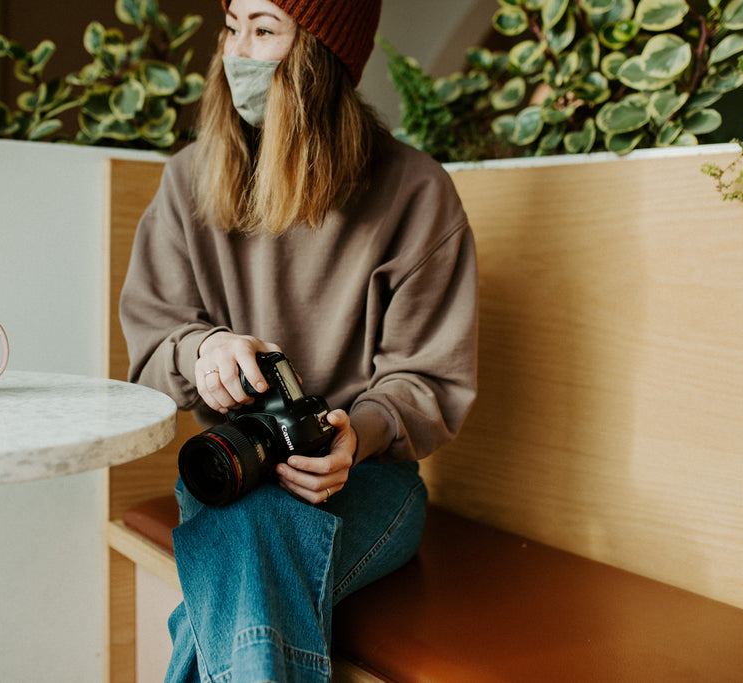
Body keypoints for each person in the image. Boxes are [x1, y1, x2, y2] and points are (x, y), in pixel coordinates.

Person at [119, 0, 478, 680]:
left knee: (236, 553)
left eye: (264, 30)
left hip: (370, 480)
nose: (236, 52)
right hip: (234, 466)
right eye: (231, 26)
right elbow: (150, 347)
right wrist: (201, 350)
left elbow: (429, 380)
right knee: (249, 524)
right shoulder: (187, 182)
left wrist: (357, 432)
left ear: (319, 54)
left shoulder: (416, 194)